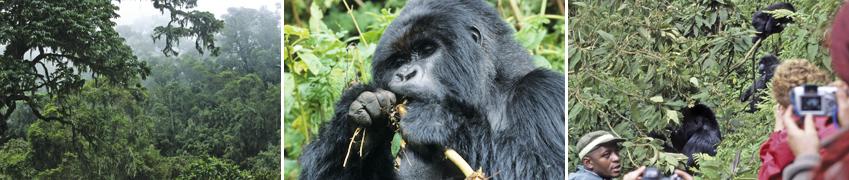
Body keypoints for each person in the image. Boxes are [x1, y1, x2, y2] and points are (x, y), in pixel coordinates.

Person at [757, 59, 837, 180]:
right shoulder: (839, 124)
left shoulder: (786, 140)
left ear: (781, 106)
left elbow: (768, 172)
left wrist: (778, 131)